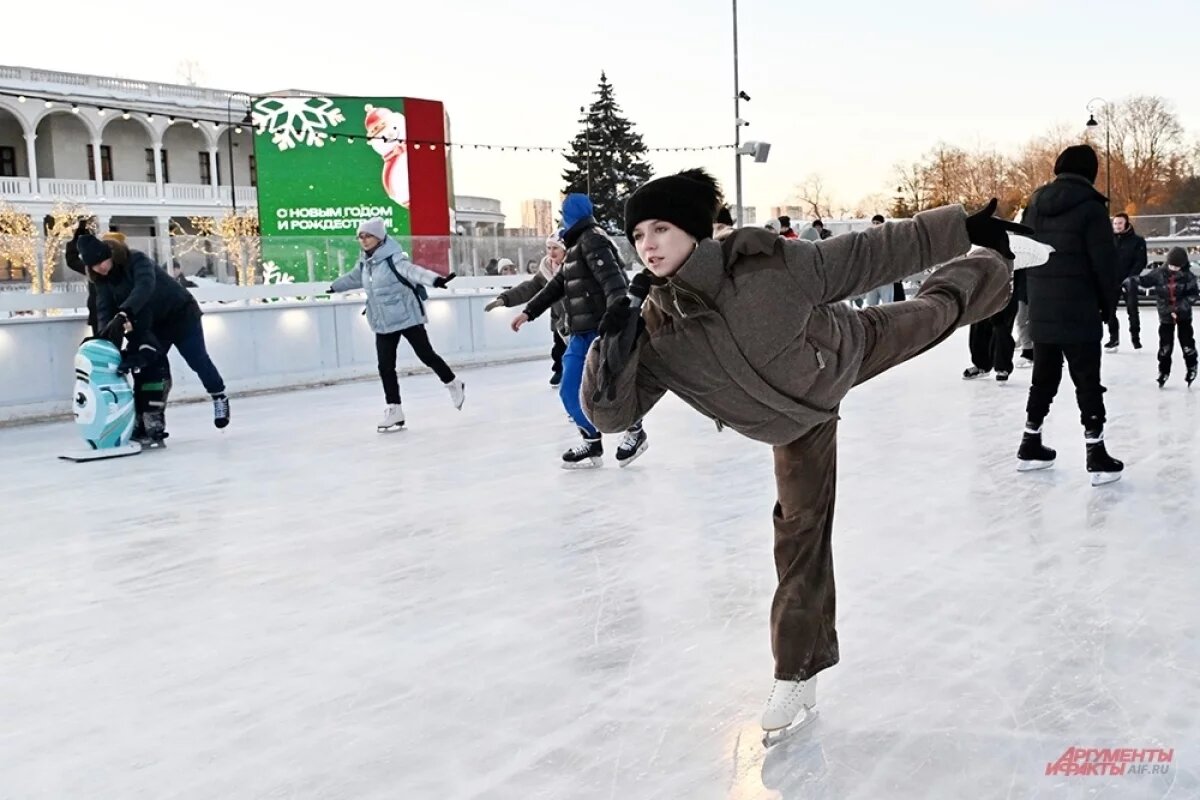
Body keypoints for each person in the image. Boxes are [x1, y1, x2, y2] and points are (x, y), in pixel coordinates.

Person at [582, 168, 1019, 742]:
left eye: (660, 228)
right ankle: (798, 670)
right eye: (638, 236)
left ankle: (1000, 269)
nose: (649, 245)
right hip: (795, 426)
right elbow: (611, 416)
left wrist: (961, 227)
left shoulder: (768, 265)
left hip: (845, 351)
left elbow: (869, 254)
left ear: (692, 230)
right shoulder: (656, 328)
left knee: (934, 314)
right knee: (799, 538)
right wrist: (609, 347)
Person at [511, 194, 649, 468]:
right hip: (579, 333)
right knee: (569, 391)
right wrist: (529, 311)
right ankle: (591, 442)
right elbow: (557, 285)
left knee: (609, 388)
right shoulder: (575, 246)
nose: (561, 219)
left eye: (563, 214)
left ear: (571, 215)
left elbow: (614, 284)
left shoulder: (593, 240)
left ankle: (635, 431)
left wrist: (616, 322)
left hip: (600, 331)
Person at [1015, 144, 1123, 485]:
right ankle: (1096, 453)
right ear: (1089, 171)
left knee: (1043, 379)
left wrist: (1029, 300)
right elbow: (1105, 265)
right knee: (1087, 381)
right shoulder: (1091, 208)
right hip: (1079, 308)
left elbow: (1023, 253)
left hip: (1043, 307)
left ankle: (1030, 443)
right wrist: (1109, 308)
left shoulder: (1035, 204)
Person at [76, 233, 230, 445]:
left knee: (197, 360)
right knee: (148, 368)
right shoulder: (101, 281)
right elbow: (104, 309)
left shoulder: (137, 260)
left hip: (181, 314)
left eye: (101, 261)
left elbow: (144, 287)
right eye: (93, 266)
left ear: (108, 254)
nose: (99, 268)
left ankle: (218, 395)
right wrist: (105, 341)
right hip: (152, 323)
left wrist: (124, 313)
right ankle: (149, 421)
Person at [327, 217, 464, 431]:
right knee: (385, 367)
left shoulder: (394, 259)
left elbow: (413, 272)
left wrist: (436, 280)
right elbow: (355, 278)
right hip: (382, 320)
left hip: (407, 316)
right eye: (360, 237)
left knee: (426, 355)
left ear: (379, 237)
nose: (363, 240)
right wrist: (335, 286)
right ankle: (394, 409)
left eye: (368, 236)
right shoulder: (365, 263)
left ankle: (453, 383)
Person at [485, 234, 570, 387]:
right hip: (559, 319)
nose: (551, 252)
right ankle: (559, 370)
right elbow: (529, 288)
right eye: (549, 248)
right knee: (558, 349)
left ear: (564, 249)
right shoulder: (545, 270)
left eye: (555, 248)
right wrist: (505, 299)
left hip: (578, 316)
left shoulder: (573, 267)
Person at [1139, 247, 1198, 387]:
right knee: (1165, 345)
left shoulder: (1188, 277)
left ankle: (1192, 366)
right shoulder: (1159, 273)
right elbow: (1145, 280)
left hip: (1183, 316)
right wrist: (1132, 280)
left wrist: (1179, 307)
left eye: (1177, 267)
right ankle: (1163, 371)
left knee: (1187, 343)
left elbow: (1194, 295)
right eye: (1171, 265)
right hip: (1165, 315)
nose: (1173, 269)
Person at [1106, 212, 1148, 351]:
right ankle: (1113, 338)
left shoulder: (1137, 241)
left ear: (1126, 224)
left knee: (1132, 310)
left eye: (1120, 223)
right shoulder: (1107, 240)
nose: (1117, 226)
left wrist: (1130, 278)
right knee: (1110, 311)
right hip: (1112, 281)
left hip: (1129, 280)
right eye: (1115, 223)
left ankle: (1136, 338)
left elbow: (1141, 261)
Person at [874, 214, 907, 302]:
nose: (875, 224)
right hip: (875, 278)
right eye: (874, 223)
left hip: (889, 277)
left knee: (891, 301)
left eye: (877, 222)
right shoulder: (872, 238)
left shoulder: (889, 239)